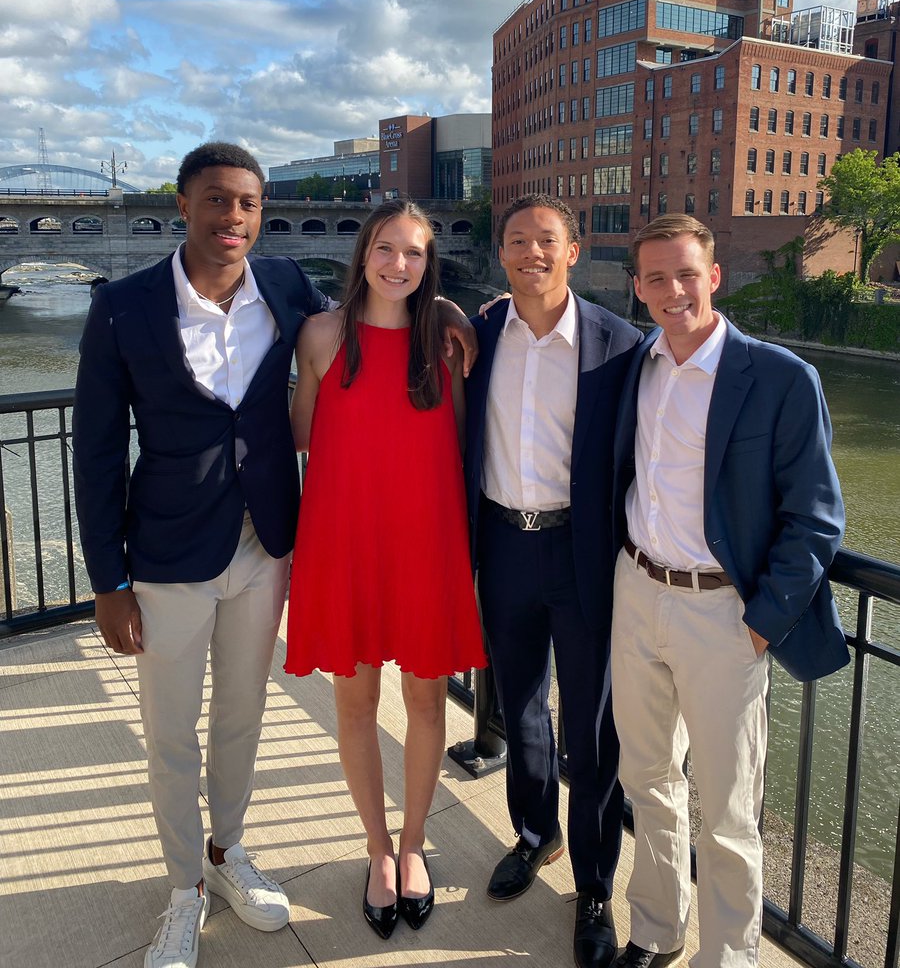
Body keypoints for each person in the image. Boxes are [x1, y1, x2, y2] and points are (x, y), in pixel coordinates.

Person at [72, 144, 476, 968]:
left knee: (242, 720)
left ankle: (227, 855)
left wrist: (490, 311)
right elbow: (97, 449)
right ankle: (183, 890)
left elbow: (388, 337)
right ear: (182, 205)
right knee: (170, 733)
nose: (234, 217)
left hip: (265, 546)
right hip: (169, 550)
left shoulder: (290, 291)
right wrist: (108, 582)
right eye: (217, 200)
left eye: (249, 203)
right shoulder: (123, 306)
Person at [610, 214, 848, 968]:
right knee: (646, 778)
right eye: (655, 277)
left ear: (714, 276)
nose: (672, 290)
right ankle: (655, 929)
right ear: (638, 288)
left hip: (723, 613)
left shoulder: (779, 376)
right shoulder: (637, 366)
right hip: (637, 590)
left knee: (729, 809)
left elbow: (815, 516)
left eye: (686, 273)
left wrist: (760, 623)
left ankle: (729, 959)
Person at [284, 198, 487, 941]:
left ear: (430, 263)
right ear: (363, 252)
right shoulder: (321, 335)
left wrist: (463, 314)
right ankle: (376, 847)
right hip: (345, 542)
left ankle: (413, 845)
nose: (399, 265)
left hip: (426, 544)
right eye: (386, 249)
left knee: (428, 705)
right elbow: (302, 432)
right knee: (355, 705)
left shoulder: (448, 342)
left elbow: (461, 445)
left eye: (415, 253)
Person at [464, 195, 641, 968]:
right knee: (521, 707)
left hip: (583, 554)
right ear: (500, 253)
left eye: (546, 240)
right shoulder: (475, 336)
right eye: (516, 240)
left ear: (574, 250)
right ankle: (536, 834)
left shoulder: (619, 343)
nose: (530, 252)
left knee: (592, 729)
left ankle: (597, 885)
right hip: (502, 543)